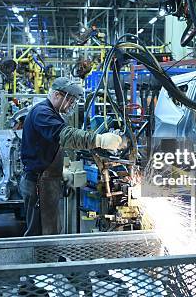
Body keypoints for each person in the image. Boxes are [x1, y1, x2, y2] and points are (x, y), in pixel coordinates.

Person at [19, 77, 122, 236]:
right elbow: (66, 136)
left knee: (51, 228)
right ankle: (41, 260)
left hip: (46, 180)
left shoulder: (51, 112)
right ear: (57, 95)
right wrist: (99, 140)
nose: (71, 105)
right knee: (40, 232)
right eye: (70, 100)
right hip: (39, 183)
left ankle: (49, 257)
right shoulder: (42, 113)